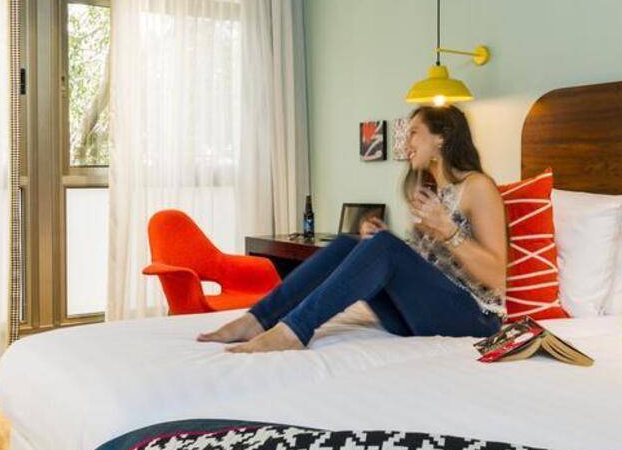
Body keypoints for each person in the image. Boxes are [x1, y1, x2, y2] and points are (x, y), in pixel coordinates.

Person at [200, 105, 507, 353]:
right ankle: (257, 319)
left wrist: (448, 230)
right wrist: (378, 240)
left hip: (473, 318)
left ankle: (294, 330)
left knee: (384, 246)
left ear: (442, 138)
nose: (406, 144)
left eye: (414, 133)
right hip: (421, 315)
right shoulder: (432, 192)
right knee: (351, 242)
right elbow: (431, 266)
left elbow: (497, 275)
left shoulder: (477, 186)